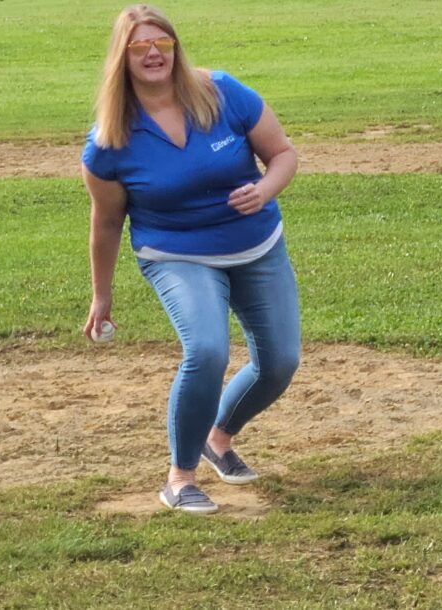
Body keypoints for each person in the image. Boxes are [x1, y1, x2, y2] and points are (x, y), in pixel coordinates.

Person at [82, 4, 300, 514]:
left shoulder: (222, 92)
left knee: (280, 362)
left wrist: (264, 190)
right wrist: (102, 295)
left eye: (163, 42)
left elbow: (283, 154)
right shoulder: (108, 141)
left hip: (256, 244)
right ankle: (180, 478)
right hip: (176, 253)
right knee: (206, 350)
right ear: (123, 57)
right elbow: (108, 222)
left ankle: (217, 437)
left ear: (176, 48)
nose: (153, 52)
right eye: (139, 45)